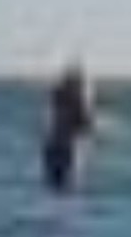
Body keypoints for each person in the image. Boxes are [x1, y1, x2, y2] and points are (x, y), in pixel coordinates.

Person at [41, 62, 99, 194]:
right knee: (67, 183)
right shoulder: (76, 100)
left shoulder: (57, 95)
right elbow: (85, 125)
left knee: (53, 182)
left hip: (52, 143)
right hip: (66, 146)